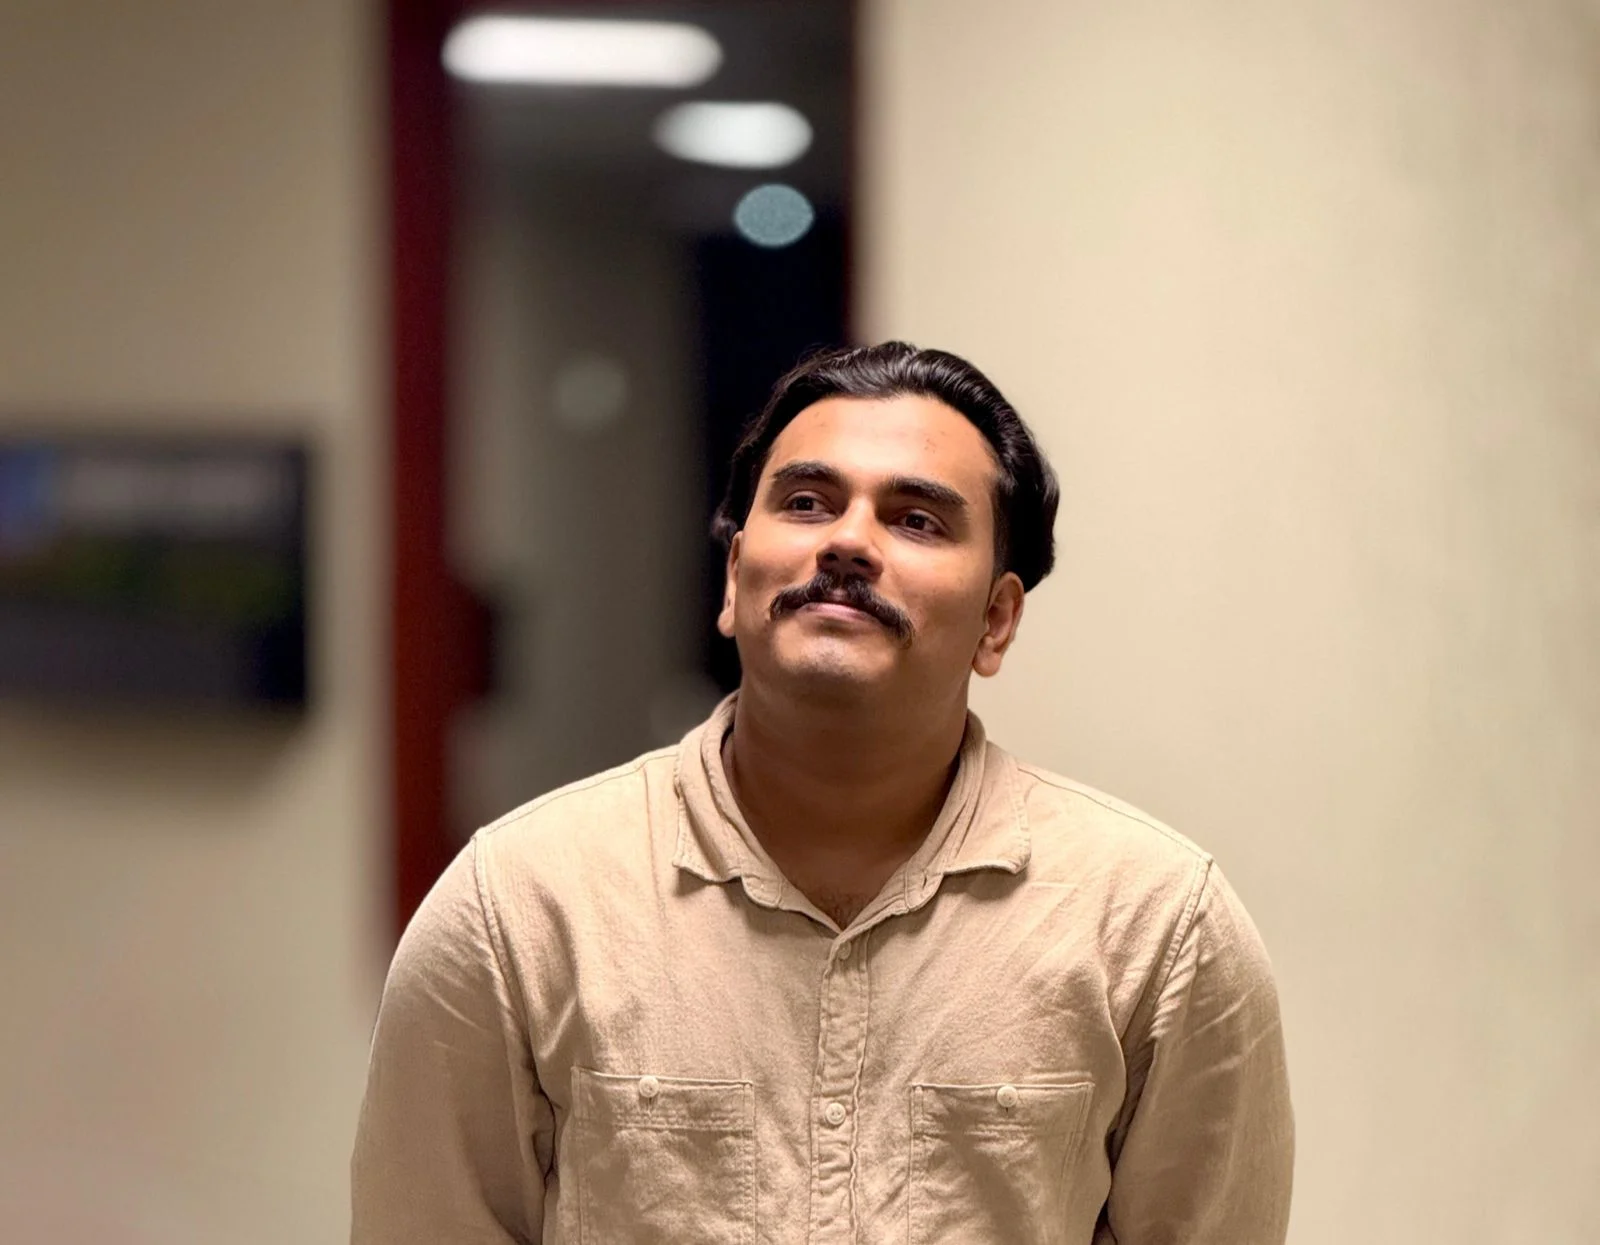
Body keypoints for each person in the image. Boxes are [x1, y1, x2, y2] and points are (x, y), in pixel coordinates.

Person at [351, 342, 1294, 1244]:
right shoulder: (519, 908)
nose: (847, 540)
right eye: (806, 502)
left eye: (916, 519)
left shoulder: (1157, 929)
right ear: (733, 578)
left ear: (997, 620)